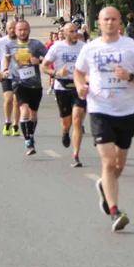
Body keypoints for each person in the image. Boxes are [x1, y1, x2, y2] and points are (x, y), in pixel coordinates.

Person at [74, 6, 134, 232]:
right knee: (108, 162)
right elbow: (79, 73)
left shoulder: (131, 47)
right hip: (100, 109)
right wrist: (80, 87)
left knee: (118, 165)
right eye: (105, 19)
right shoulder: (90, 48)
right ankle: (114, 211)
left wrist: (128, 76)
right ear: (98, 22)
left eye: (114, 19)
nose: (109, 23)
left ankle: (104, 186)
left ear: (120, 23)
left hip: (127, 111)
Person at [44, 23, 88, 167]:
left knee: (77, 118)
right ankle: (65, 132)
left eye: (76, 31)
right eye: (72, 31)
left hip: (78, 85)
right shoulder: (57, 47)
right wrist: (57, 73)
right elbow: (44, 66)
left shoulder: (84, 47)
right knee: (67, 122)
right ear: (64, 33)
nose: (75, 33)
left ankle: (76, 155)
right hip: (62, 86)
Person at [1, 19, 48, 155]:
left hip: (35, 84)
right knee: (25, 111)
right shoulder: (10, 45)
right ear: (15, 31)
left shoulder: (36, 44)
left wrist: (38, 61)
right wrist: (4, 70)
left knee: (33, 115)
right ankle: (27, 141)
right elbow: (7, 59)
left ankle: (31, 135)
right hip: (18, 83)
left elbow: (49, 58)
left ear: (29, 30)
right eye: (19, 30)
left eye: (25, 29)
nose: (22, 32)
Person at [0, 21, 23, 138]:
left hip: (19, 75)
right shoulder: (1, 42)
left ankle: (15, 125)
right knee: (9, 99)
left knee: (17, 101)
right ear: (6, 29)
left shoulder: (22, 41)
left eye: (14, 28)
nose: (12, 30)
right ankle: (7, 122)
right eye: (10, 28)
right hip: (6, 75)